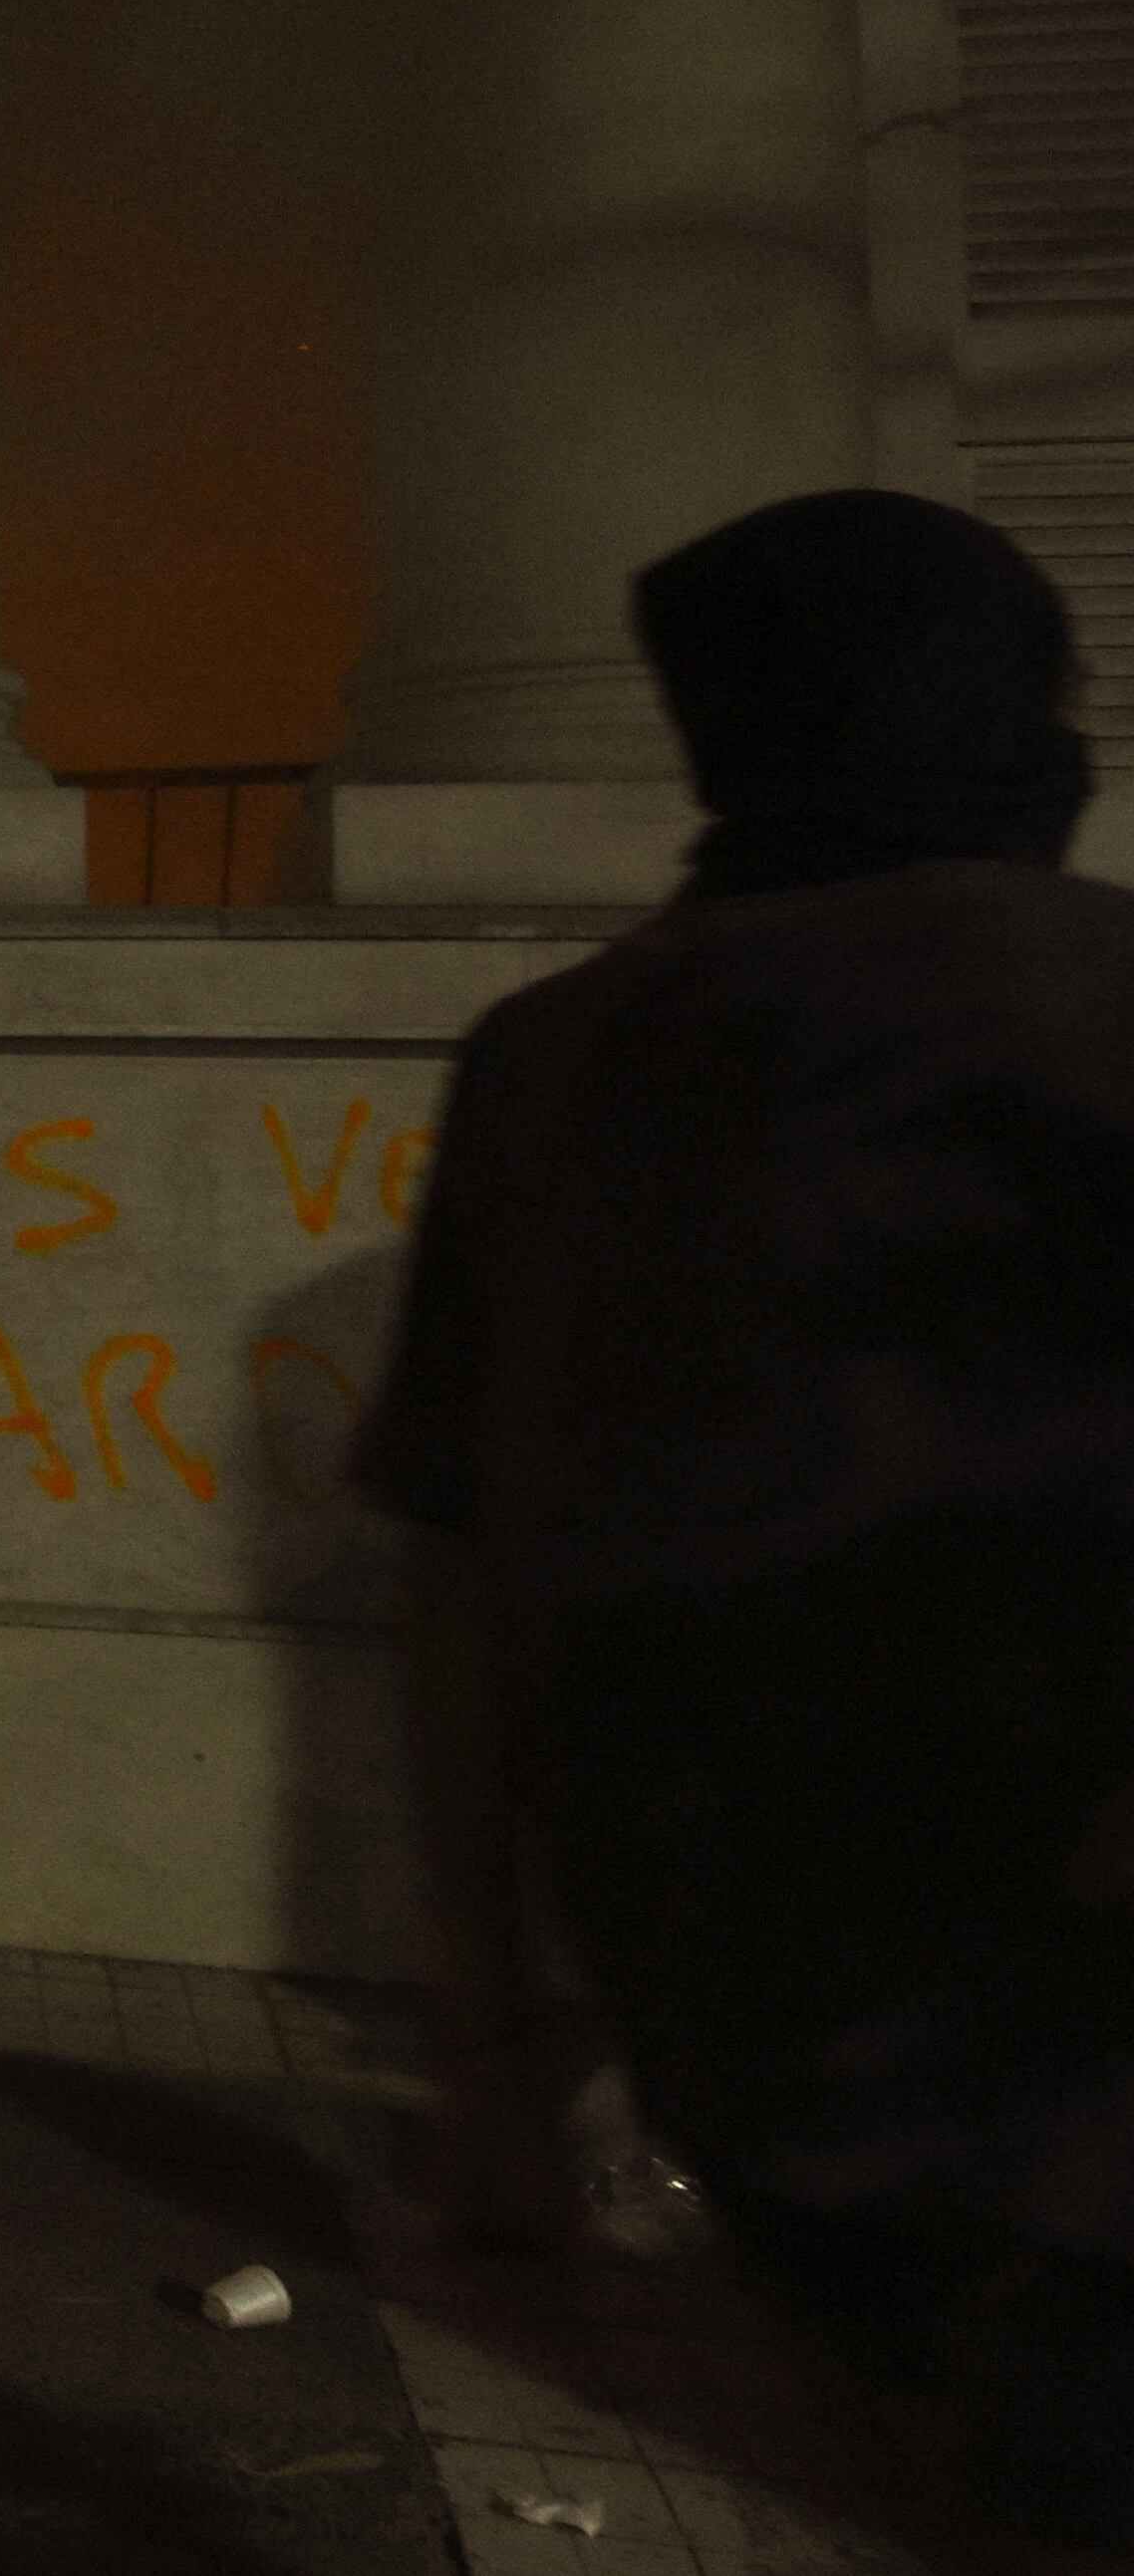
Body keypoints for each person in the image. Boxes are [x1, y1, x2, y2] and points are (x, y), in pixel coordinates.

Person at [369, 491, 1134, 2566]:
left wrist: (491, 2054)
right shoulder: (1093, 996)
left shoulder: (554, 1059)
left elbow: (456, 1589)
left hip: (763, 2055)